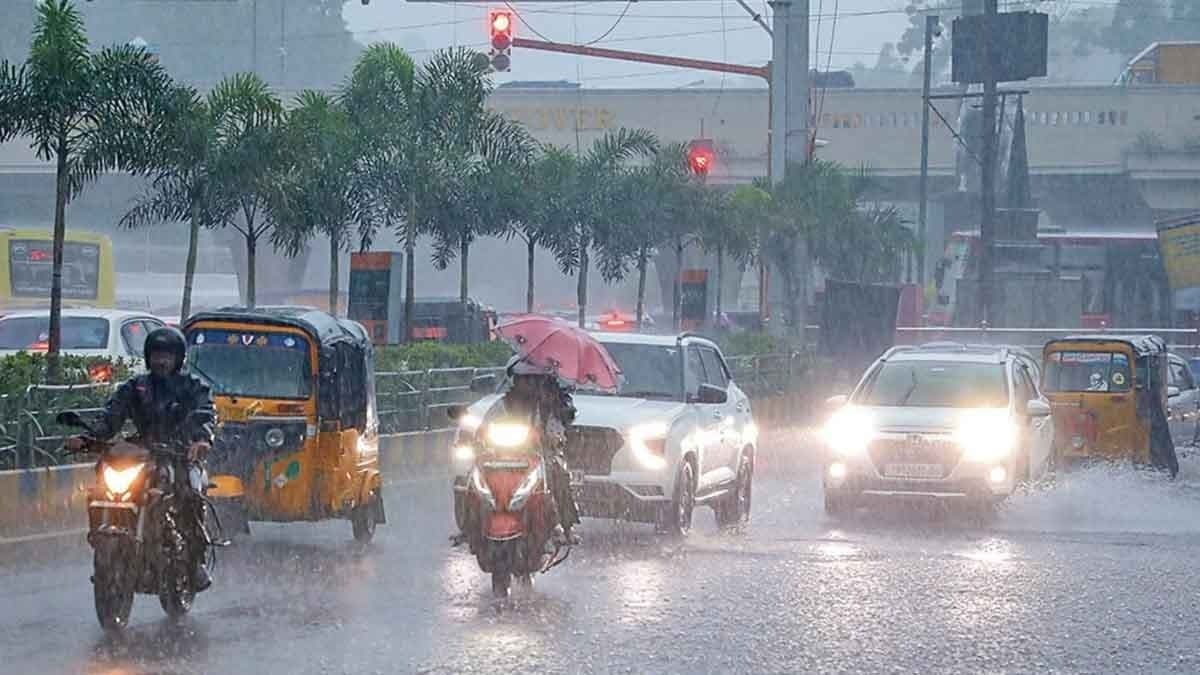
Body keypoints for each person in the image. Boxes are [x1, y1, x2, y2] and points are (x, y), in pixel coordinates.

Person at [66, 326, 217, 590]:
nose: (161, 360)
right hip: (144, 451)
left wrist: (201, 440)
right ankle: (103, 540)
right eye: (157, 354)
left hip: (180, 453)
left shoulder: (192, 386)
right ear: (148, 356)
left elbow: (204, 413)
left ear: (178, 358)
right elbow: (110, 417)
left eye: (167, 355)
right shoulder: (135, 387)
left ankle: (195, 562)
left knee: (191, 491)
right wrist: (88, 437)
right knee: (104, 480)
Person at [483, 357, 581, 546]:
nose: (528, 385)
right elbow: (485, 427)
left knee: (558, 474)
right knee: (471, 479)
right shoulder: (501, 405)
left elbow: (558, 431)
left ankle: (565, 525)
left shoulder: (548, 408)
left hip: (540, 458)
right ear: (515, 381)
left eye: (534, 380)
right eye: (524, 379)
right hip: (500, 459)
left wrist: (553, 435)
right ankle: (470, 526)